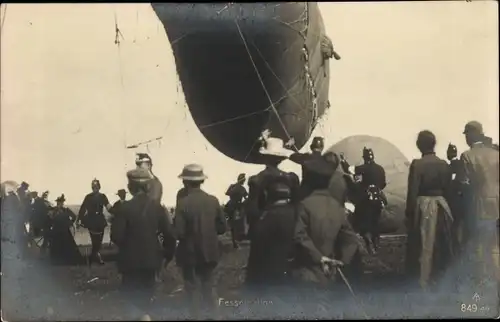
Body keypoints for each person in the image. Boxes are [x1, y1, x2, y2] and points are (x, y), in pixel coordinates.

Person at [110, 168, 176, 321]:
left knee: (131, 299)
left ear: (130, 187)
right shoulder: (158, 207)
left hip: (129, 261)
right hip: (152, 260)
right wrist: (167, 255)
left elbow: (116, 236)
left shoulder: (123, 208)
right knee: (147, 297)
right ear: (148, 187)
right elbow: (170, 235)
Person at [292, 155, 360, 290]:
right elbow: (351, 239)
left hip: (306, 272)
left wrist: (319, 257)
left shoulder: (304, 205)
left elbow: (298, 236)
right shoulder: (337, 208)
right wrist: (342, 261)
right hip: (330, 274)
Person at [174, 164, 227, 318]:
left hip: (190, 253)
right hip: (210, 251)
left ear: (185, 182)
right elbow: (222, 227)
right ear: (201, 181)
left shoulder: (182, 203)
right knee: (209, 286)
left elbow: (179, 232)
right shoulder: (213, 200)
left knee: (192, 289)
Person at [404, 130, 455, 290]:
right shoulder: (444, 164)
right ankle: (441, 277)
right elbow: (449, 189)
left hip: (424, 205)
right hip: (442, 204)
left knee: (424, 243)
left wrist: (409, 212)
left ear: (420, 145)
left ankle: (422, 280)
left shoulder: (417, 164)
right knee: (442, 242)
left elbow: (413, 190)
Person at [457, 121, 499, 296]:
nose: (466, 138)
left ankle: (482, 281)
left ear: (471, 135)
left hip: (479, 204)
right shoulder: (496, 154)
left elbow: (464, 184)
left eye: (466, 134)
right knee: (495, 243)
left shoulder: (467, 156)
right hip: (497, 203)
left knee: (480, 243)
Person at [245, 174, 297, 295]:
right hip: (292, 273)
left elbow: (257, 252)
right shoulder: (297, 213)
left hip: (270, 277)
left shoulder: (266, 217)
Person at [247, 136, 300, 240]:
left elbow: (252, 212)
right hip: (288, 228)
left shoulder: (257, 179)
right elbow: (297, 207)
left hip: (266, 230)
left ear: (264, 157)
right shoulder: (291, 178)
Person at [347, 147, 387, 254]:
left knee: (364, 223)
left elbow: (351, 172)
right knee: (375, 221)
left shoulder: (361, 168)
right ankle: (376, 243)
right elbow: (383, 184)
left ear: (364, 157)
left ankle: (369, 242)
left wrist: (343, 161)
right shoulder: (380, 169)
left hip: (365, 199)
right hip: (378, 199)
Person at [77, 179, 112, 265]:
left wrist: (115, 212)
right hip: (91, 220)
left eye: (96, 187)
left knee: (99, 242)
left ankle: (93, 256)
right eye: (93, 187)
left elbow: (108, 206)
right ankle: (97, 257)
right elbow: (83, 208)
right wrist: (78, 220)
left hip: (100, 220)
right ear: (92, 187)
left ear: (99, 187)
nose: (95, 188)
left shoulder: (103, 196)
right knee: (94, 241)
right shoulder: (88, 197)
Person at [47, 194, 83, 266]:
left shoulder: (66, 210)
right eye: (58, 202)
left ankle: (70, 261)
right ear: (57, 203)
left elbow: (74, 216)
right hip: (56, 231)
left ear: (63, 203)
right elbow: (49, 219)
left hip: (65, 231)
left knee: (68, 246)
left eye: (61, 202)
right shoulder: (53, 210)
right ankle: (56, 262)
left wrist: (69, 223)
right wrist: (52, 223)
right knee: (56, 246)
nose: (60, 204)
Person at [224, 173, 248, 249]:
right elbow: (246, 197)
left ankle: (235, 241)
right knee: (237, 224)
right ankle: (236, 242)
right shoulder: (242, 188)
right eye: (244, 180)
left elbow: (227, 193)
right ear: (242, 180)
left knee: (233, 224)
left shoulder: (232, 186)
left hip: (230, 206)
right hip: (236, 207)